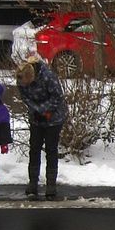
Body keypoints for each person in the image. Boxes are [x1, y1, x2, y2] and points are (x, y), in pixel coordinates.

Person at [15, 57, 67, 200]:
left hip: (54, 116)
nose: (24, 85)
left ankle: (51, 184)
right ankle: (33, 182)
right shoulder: (21, 80)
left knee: (51, 149)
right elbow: (25, 97)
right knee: (34, 148)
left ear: (31, 76)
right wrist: (37, 111)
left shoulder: (48, 77)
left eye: (27, 82)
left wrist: (45, 111)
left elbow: (57, 97)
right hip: (36, 117)